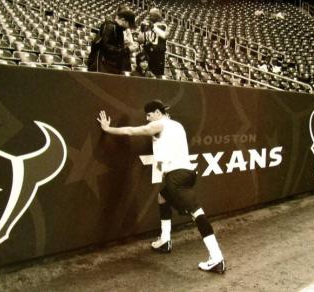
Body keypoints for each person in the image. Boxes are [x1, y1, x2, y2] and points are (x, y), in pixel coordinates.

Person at [96, 100, 226, 273]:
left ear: (157, 112)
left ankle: (216, 257)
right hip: (188, 174)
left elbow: (133, 131)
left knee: (197, 214)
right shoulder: (177, 125)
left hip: (176, 178)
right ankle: (165, 240)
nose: (148, 119)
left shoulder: (159, 124)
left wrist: (108, 129)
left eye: (149, 115)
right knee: (162, 197)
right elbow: (167, 149)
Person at [97, 7, 136, 74]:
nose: (128, 28)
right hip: (105, 68)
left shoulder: (118, 28)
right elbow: (107, 49)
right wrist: (127, 49)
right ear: (123, 20)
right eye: (129, 25)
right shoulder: (110, 27)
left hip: (113, 67)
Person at [138, 8, 168, 76]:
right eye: (150, 15)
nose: (150, 17)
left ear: (157, 16)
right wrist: (142, 31)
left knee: (157, 75)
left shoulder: (163, 25)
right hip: (147, 52)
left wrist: (153, 27)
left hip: (158, 54)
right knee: (145, 74)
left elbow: (165, 36)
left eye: (152, 15)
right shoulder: (146, 24)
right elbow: (140, 40)